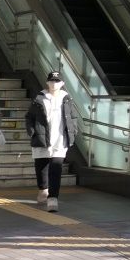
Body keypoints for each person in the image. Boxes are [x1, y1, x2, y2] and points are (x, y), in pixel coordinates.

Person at [27, 70, 79, 213]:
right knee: (41, 168)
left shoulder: (66, 98)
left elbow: (73, 117)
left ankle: (53, 198)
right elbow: (29, 116)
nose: (54, 84)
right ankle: (43, 189)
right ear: (47, 82)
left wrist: (73, 132)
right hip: (42, 137)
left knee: (56, 169)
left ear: (62, 83)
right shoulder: (40, 98)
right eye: (51, 81)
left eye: (57, 81)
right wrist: (32, 132)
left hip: (60, 139)